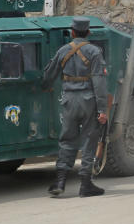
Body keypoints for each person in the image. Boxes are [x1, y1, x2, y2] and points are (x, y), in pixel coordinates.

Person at [41, 17, 108, 197]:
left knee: (67, 139)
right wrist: (103, 110)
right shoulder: (94, 51)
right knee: (89, 140)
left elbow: (48, 75)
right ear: (88, 32)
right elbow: (99, 82)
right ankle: (85, 184)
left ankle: (60, 182)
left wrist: (45, 87)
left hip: (69, 100)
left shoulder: (63, 51)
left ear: (72, 32)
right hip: (88, 101)